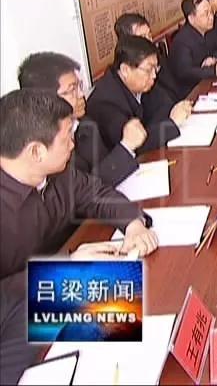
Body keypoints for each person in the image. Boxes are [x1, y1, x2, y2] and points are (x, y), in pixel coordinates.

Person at [0, 89, 158, 279]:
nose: (73, 144)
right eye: (67, 137)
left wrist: (133, 224)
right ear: (36, 152)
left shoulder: (60, 173)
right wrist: (67, 266)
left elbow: (97, 194)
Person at [17, 52, 143, 186]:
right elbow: (82, 191)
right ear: (45, 100)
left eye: (80, 86)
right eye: (72, 90)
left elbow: (103, 171)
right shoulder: (43, 148)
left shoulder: (85, 124)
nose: (81, 94)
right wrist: (126, 147)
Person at [86, 36, 191, 153]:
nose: (154, 75)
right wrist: (172, 124)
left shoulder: (141, 84)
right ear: (125, 70)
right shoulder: (105, 103)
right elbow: (134, 143)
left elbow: (166, 106)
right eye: (148, 70)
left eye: (156, 69)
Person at [162, 0, 217, 100]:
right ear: (191, 18)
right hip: (191, 93)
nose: (211, 17)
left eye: (211, 12)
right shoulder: (182, 41)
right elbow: (185, 73)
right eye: (206, 14)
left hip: (210, 84)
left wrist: (214, 58)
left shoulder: (209, 31)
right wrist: (213, 70)